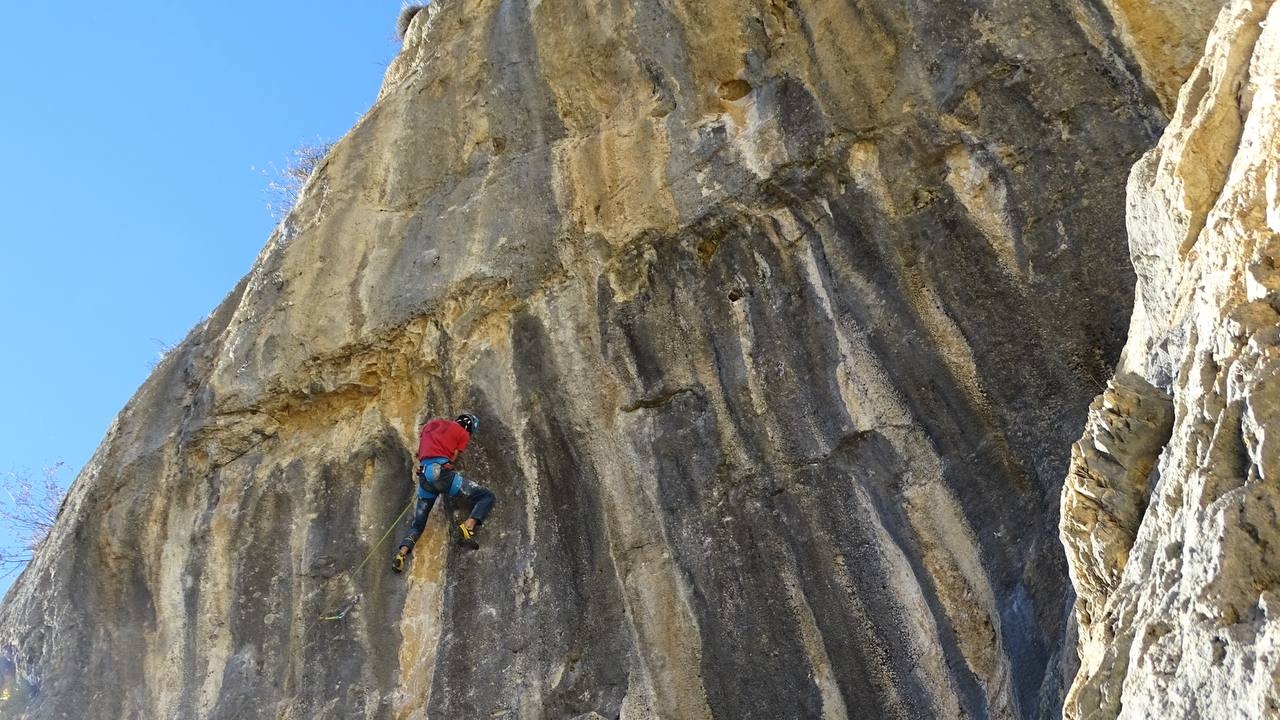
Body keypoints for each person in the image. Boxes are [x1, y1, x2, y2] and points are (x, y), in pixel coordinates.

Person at [392, 413, 495, 572]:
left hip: (425, 477)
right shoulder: (463, 433)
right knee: (486, 496)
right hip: (441, 474)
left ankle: (401, 553)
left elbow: (418, 452)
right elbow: (453, 456)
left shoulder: (431, 425)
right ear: (469, 427)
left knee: (418, 524)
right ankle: (468, 526)